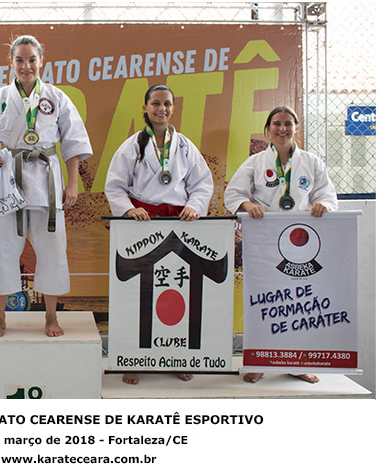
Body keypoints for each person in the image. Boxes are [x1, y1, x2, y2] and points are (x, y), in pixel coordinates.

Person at [0, 35, 92, 338]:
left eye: (32, 59)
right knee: (1, 248)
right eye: (20, 60)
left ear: (41, 62)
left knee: (52, 249)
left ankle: (51, 315)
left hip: (46, 180)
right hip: (8, 178)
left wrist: (72, 183)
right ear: (11, 63)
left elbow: (74, 142)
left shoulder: (57, 98)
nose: (26, 66)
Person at [105, 84, 214, 385]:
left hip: (178, 225)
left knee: (176, 291)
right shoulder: (131, 146)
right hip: (143, 225)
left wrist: (194, 206)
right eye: (155, 103)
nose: (161, 109)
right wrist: (129, 210)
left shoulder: (185, 147)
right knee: (137, 293)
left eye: (166, 103)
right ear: (145, 107)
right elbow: (115, 186)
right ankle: (133, 358)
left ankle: (174, 357)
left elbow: (202, 183)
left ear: (173, 108)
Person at [224, 105, 338, 384]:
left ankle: (297, 363)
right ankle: (259, 361)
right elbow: (234, 194)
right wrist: (247, 204)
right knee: (263, 300)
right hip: (264, 241)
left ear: (296, 128)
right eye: (277, 123)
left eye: (288, 123)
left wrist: (323, 204)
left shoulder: (311, 162)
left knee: (298, 302)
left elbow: (326, 193)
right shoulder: (255, 162)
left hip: (300, 244)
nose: (282, 128)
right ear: (268, 129)